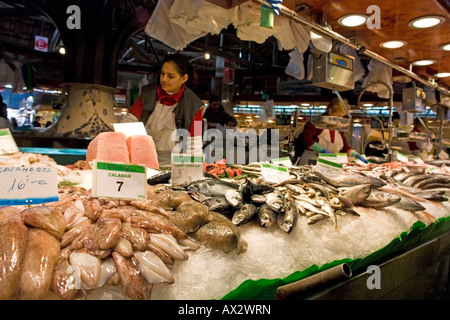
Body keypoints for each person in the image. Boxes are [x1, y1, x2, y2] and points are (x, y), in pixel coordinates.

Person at [126, 53, 205, 168]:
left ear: (184, 78)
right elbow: (130, 120)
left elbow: (195, 143)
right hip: (143, 159)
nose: (164, 79)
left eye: (171, 76)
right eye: (162, 74)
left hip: (175, 164)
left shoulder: (196, 106)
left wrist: (193, 170)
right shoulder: (147, 93)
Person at [294, 97, 368, 165]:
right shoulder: (317, 123)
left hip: (329, 163)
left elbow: (344, 146)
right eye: (338, 116)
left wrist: (354, 154)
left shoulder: (338, 127)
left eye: (342, 116)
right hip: (311, 162)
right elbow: (305, 139)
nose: (340, 118)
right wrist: (322, 150)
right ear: (330, 111)